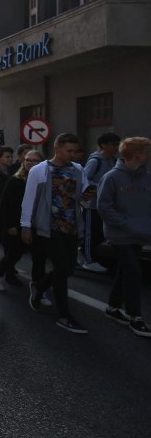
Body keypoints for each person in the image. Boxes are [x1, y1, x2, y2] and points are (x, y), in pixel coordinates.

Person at [21, 133, 92, 334]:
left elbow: (83, 200)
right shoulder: (39, 170)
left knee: (69, 268)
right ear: (57, 148)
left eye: (74, 151)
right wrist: (25, 226)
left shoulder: (78, 169)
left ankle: (39, 286)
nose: (72, 155)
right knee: (61, 268)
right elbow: (29, 199)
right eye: (68, 151)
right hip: (48, 227)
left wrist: (87, 197)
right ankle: (64, 315)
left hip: (71, 226)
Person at [98, 137, 151, 337]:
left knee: (126, 271)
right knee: (134, 272)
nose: (148, 155)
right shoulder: (112, 177)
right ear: (137, 154)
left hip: (140, 234)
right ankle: (135, 317)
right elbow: (104, 207)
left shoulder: (147, 178)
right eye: (146, 151)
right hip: (120, 235)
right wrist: (125, 224)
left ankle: (112, 307)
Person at [0, 149, 45, 291]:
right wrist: (10, 225)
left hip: (38, 225)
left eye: (35, 161)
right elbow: (5, 204)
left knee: (39, 257)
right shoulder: (15, 180)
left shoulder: (45, 179)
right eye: (28, 160)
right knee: (14, 254)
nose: (31, 163)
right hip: (17, 224)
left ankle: (38, 286)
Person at [80, 132, 121, 272]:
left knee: (101, 234)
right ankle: (88, 259)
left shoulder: (114, 161)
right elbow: (84, 180)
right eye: (113, 144)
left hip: (106, 205)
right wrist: (101, 187)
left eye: (117, 144)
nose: (116, 147)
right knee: (91, 232)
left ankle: (100, 258)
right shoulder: (95, 161)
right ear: (103, 145)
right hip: (92, 205)